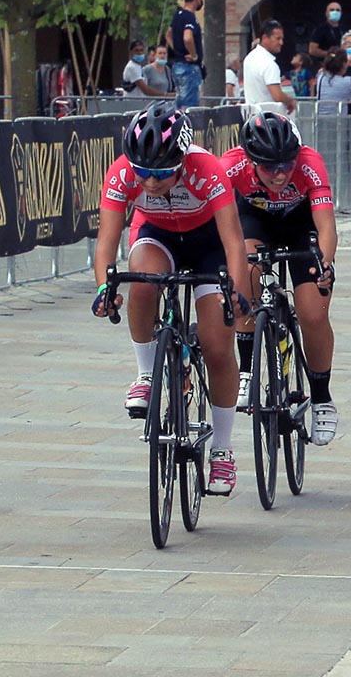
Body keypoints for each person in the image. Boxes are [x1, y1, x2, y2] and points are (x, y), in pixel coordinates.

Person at [91, 102, 248, 495]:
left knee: (216, 346)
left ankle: (223, 451)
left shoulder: (207, 169)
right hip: (158, 236)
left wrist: (237, 292)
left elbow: (233, 241)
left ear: (180, 161)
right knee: (141, 281)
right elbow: (107, 241)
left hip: (208, 242)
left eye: (159, 174)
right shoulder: (123, 171)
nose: (149, 182)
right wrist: (103, 288)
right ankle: (146, 374)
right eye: (142, 172)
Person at [222, 111, 339, 445]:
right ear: (250, 159)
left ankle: (321, 397)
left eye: (286, 165)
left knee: (313, 314)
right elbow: (217, 219)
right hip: (255, 222)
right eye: (269, 167)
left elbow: (326, 226)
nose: (279, 174)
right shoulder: (231, 164)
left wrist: (325, 262)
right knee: (244, 273)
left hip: (301, 226)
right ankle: (247, 370)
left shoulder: (309, 163)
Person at [242, 20, 296, 113]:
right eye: (277, 38)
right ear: (265, 38)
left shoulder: (249, 58)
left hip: (252, 116)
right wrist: (290, 101)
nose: (281, 42)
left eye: (282, 39)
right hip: (268, 118)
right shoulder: (269, 64)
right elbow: (277, 95)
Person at [169, 0, 205, 109]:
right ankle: (186, 128)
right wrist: (194, 55)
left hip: (177, 64)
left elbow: (168, 34)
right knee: (189, 105)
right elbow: (188, 37)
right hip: (188, 67)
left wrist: (177, 49)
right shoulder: (190, 17)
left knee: (179, 102)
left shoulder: (177, 15)